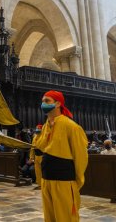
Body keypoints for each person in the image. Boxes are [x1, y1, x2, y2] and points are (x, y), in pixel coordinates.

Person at [36, 90, 88, 222]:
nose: (43, 104)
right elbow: (40, 147)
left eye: (47, 101)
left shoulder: (71, 126)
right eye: (42, 101)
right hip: (47, 178)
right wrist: (48, 131)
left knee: (66, 217)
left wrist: (77, 180)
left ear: (58, 103)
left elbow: (80, 156)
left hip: (64, 180)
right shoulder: (46, 126)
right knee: (50, 218)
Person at [30, 124, 43, 190]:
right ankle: (39, 184)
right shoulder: (34, 137)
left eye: (39, 130)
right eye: (37, 130)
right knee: (37, 171)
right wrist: (31, 157)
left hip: (42, 156)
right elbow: (32, 148)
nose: (37, 132)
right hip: (36, 156)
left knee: (43, 171)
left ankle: (44, 185)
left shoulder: (44, 136)